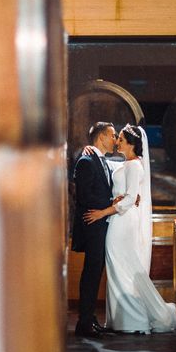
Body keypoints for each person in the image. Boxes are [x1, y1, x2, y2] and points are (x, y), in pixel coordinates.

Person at [84, 124, 176, 333]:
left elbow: (132, 197)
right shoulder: (124, 164)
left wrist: (103, 212)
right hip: (118, 219)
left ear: (132, 144)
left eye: (121, 139)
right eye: (117, 138)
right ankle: (120, 319)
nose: (117, 141)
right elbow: (105, 167)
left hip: (122, 221)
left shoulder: (134, 166)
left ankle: (133, 321)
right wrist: (87, 149)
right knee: (118, 267)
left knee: (123, 266)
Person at [71, 121, 118, 337]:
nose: (115, 140)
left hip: (100, 224)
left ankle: (89, 319)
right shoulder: (86, 161)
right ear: (101, 137)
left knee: (95, 271)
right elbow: (84, 196)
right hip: (92, 224)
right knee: (91, 272)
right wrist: (111, 203)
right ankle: (84, 323)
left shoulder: (101, 160)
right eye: (112, 135)